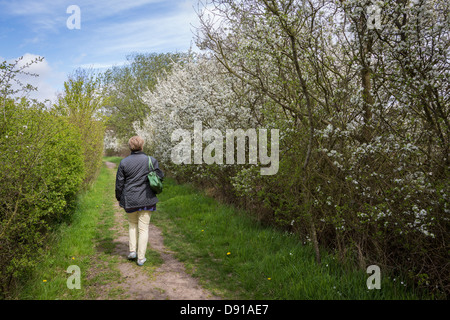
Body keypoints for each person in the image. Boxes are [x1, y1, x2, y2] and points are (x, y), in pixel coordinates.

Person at [115, 136, 164, 266]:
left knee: (132, 225)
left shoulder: (124, 162)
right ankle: (141, 258)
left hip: (130, 199)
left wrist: (119, 197)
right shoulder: (151, 160)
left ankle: (132, 251)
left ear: (130, 147)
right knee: (143, 229)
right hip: (147, 199)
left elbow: (120, 183)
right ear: (142, 146)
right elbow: (160, 176)